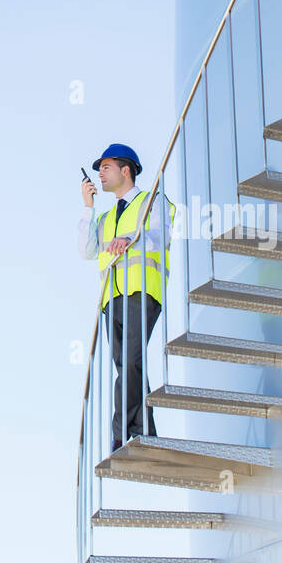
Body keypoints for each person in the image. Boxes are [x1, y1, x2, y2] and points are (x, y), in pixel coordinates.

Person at [78, 144, 174, 453]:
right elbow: (86, 251)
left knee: (132, 359)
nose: (100, 174)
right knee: (126, 364)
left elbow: (161, 237)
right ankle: (145, 430)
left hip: (142, 290)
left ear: (125, 170)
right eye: (98, 170)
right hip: (112, 298)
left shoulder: (152, 201)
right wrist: (88, 207)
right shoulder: (104, 217)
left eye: (105, 167)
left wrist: (130, 239)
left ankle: (120, 432)